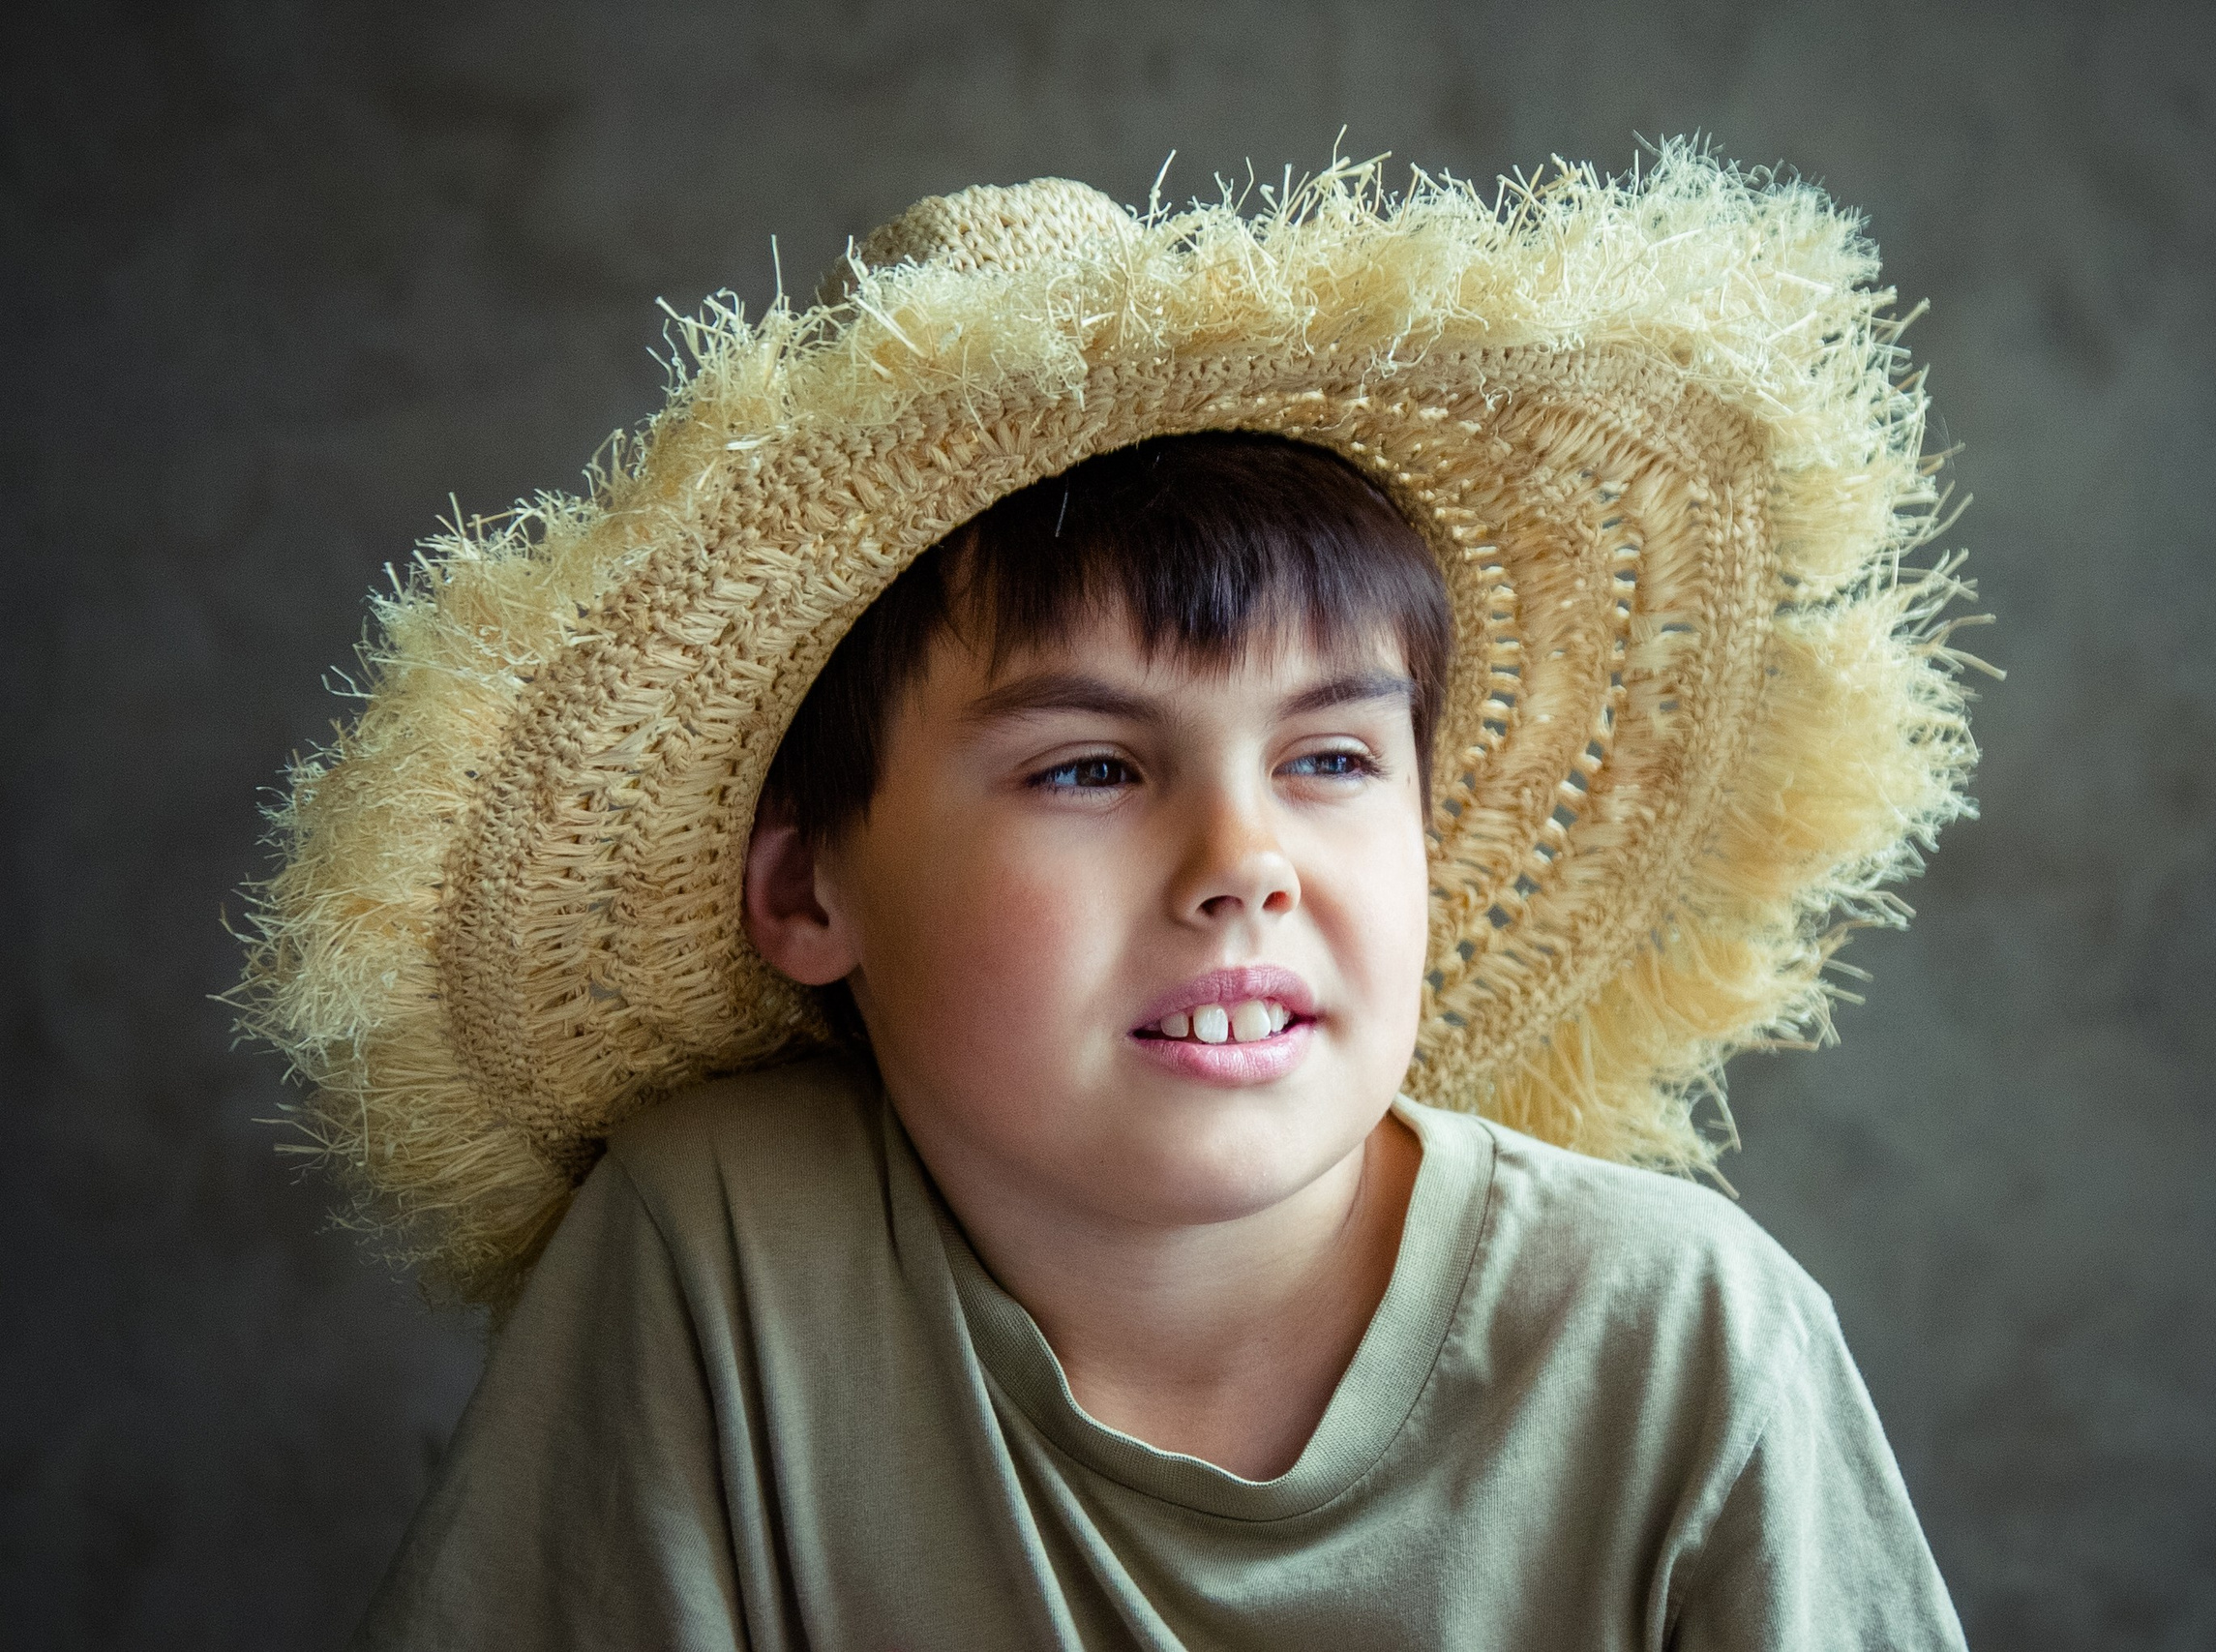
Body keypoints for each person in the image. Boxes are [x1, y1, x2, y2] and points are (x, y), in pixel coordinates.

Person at [238, 152, 1983, 1649]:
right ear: (806, 888)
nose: (1243, 863)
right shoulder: (728, 1250)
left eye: (1331, 759)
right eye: (1088, 770)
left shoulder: (1684, 1345)